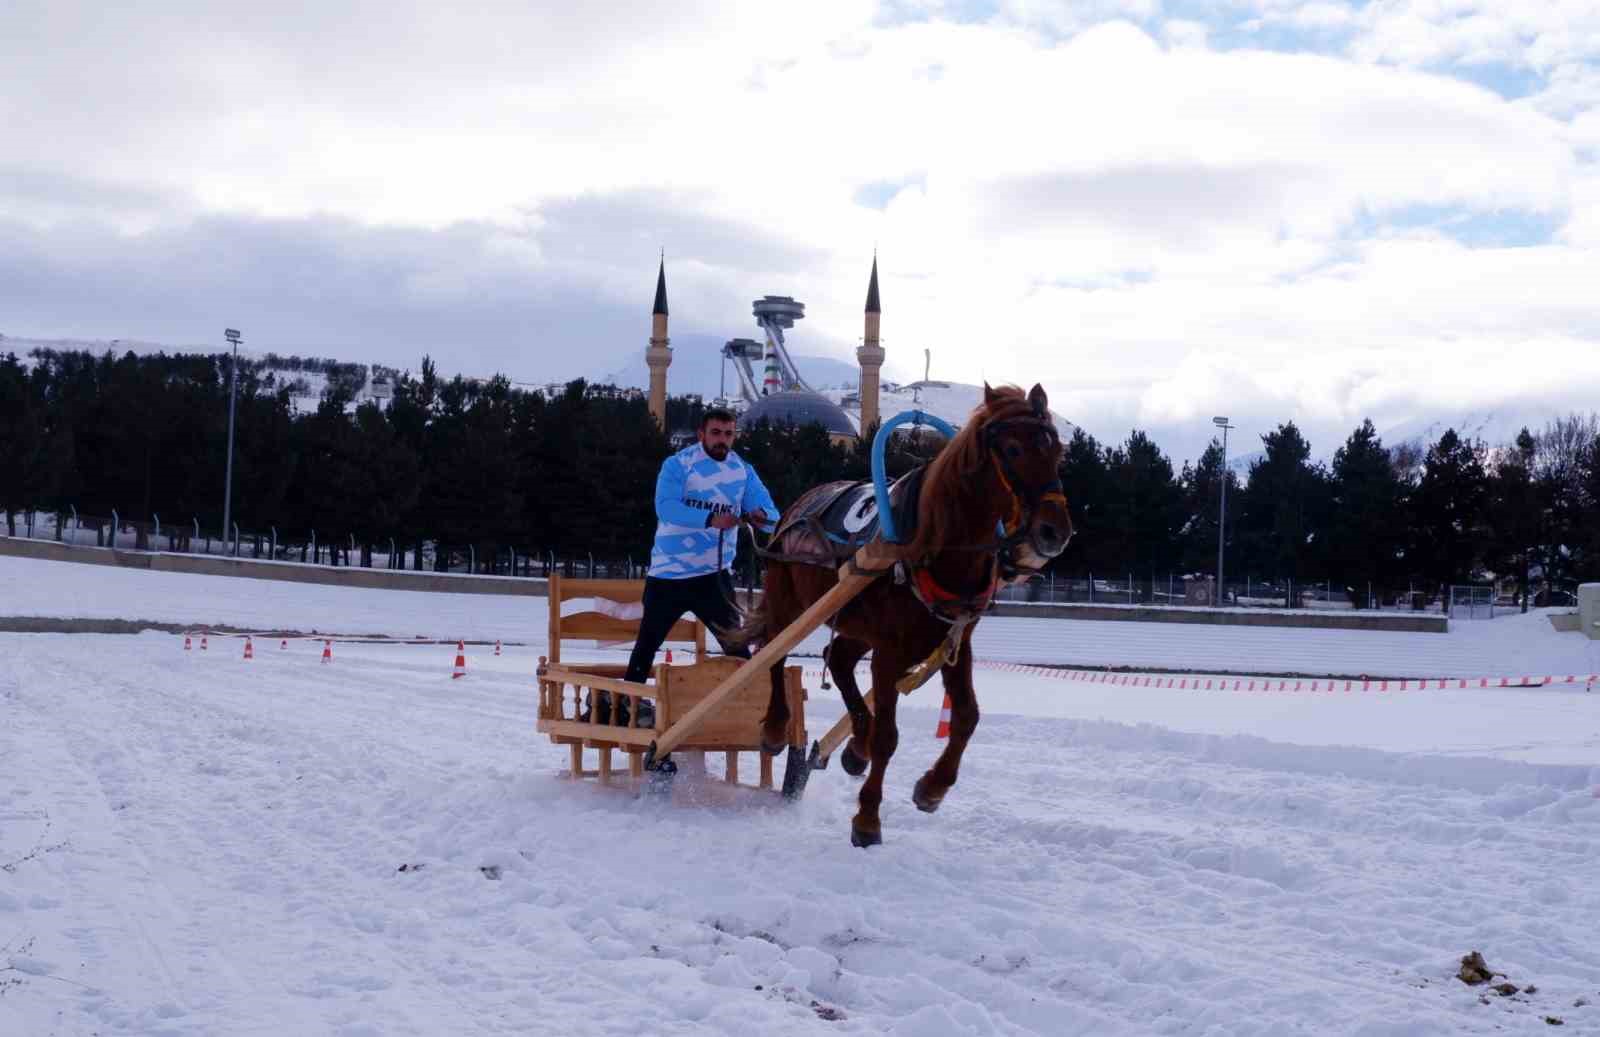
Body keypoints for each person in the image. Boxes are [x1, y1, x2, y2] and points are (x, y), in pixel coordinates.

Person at [602, 407, 779, 726]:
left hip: (714, 578)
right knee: (647, 645)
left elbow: (770, 513)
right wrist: (710, 519)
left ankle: (755, 712)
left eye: (728, 434)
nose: (722, 440)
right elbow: (666, 508)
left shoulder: (743, 470)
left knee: (736, 645)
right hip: (668, 575)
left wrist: (761, 517)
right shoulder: (678, 465)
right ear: (701, 434)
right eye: (716, 433)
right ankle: (627, 708)